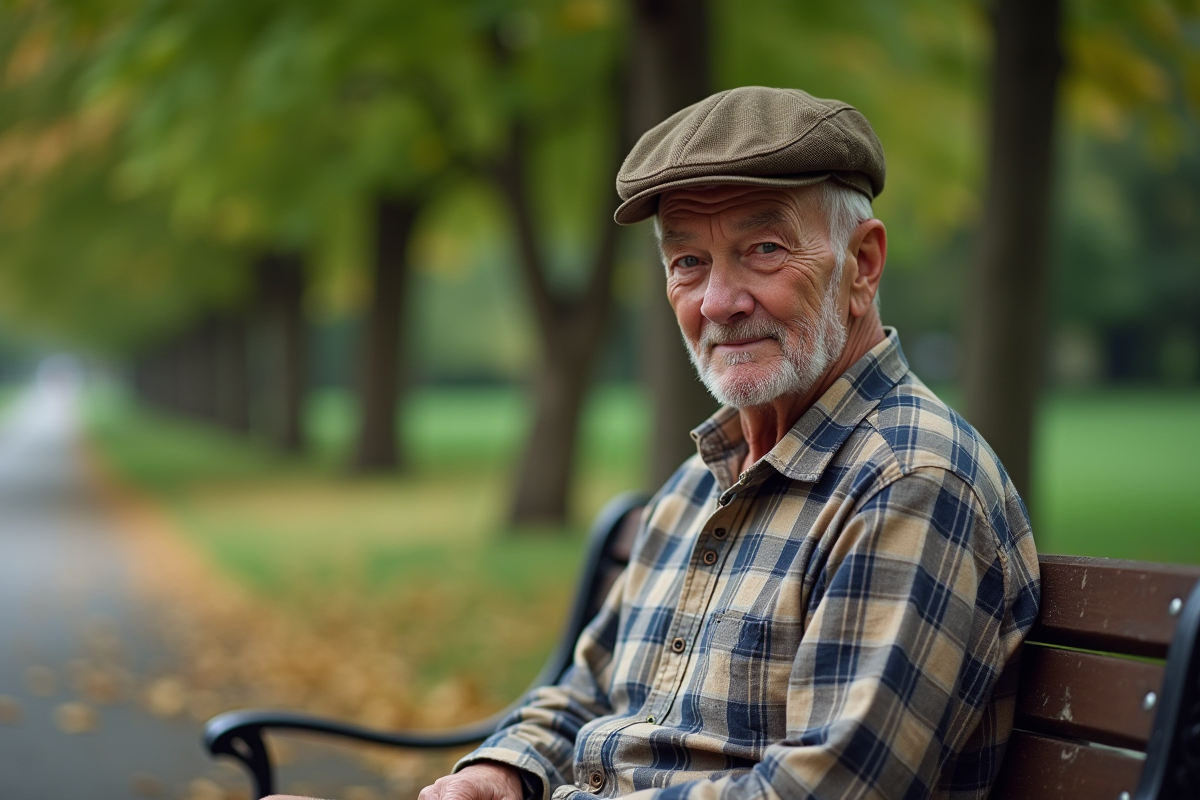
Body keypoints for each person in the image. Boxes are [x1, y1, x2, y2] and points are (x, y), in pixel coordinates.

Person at [274, 86, 1041, 800]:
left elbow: (823, 791)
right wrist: (501, 772)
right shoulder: (699, 484)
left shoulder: (910, 482)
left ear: (861, 265)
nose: (719, 302)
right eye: (688, 263)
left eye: (764, 250)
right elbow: (586, 690)